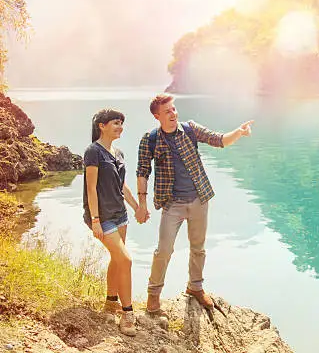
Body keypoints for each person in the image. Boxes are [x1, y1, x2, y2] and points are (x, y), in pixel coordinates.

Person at [135, 93, 253, 314]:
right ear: (156, 116)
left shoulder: (189, 129)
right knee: (164, 250)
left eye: (174, 108)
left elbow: (219, 140)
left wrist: (238, 132)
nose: (173, 113)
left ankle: (195, 287)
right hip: (172, 204)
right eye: (167, 111)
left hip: (199, 199)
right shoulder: (150, 139)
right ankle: (153, 294)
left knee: (198, 247)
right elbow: (142, 171)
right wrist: (142, 204)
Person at [83, 109, 144, 336]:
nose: (120, 127)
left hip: (120, 214)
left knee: (117, 260)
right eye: (116, 123)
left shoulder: (117, 152)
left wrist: (137, 206)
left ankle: (110, 303)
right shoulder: (93, 152)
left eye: (122, 123)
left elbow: (122, 186)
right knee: (126, 260)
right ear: (102, 125)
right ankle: (127, 313)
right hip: (103, 217)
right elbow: (91, 189)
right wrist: (95, 220)